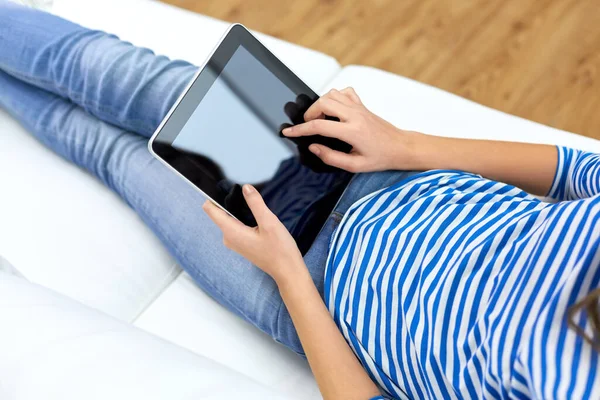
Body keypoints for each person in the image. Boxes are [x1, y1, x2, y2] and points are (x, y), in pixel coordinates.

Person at [0, 3, 598, 399]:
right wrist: (403, 144)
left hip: (312, 291)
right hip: (386, 173)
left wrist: (288, 274)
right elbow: (575, 169)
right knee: (120, 75)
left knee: (116, 155)